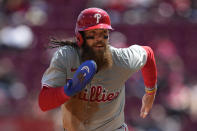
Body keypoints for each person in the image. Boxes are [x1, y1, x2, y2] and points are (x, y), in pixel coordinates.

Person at [38, 7, 157, 131]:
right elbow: (44, 102)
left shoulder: (121, 59)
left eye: (103, 33)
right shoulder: (66, 56)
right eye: (92, 34)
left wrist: (150, 92)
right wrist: (68, 90)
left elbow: (148, 53)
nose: (99, 39)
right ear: (80, 37)